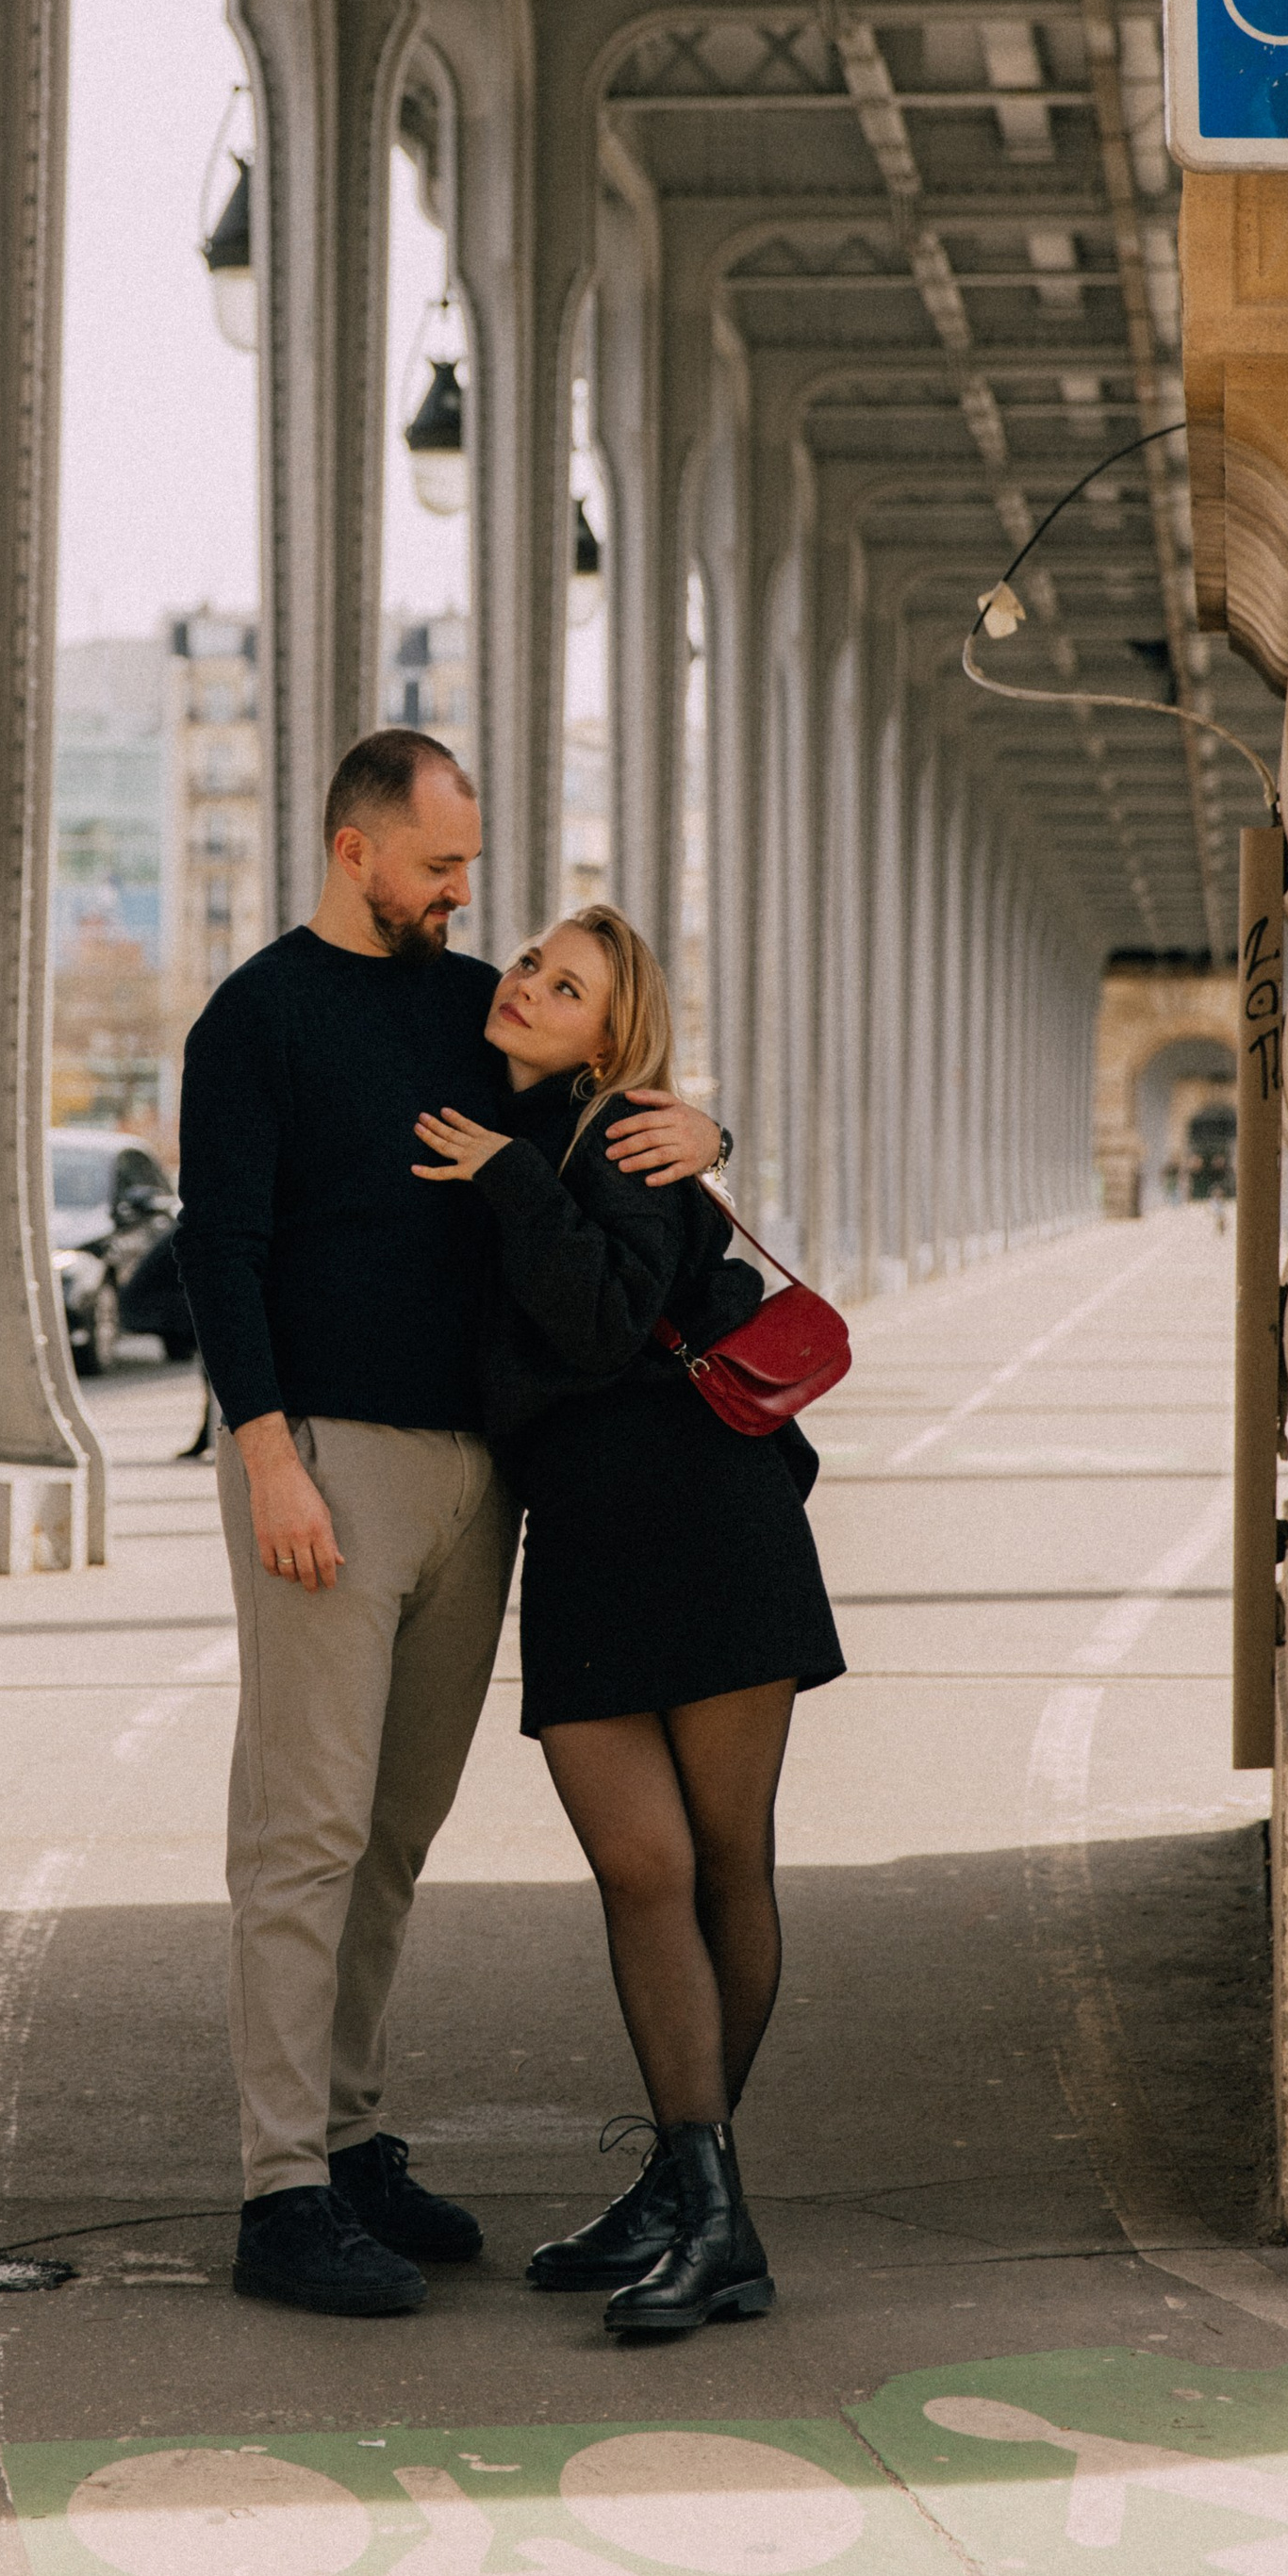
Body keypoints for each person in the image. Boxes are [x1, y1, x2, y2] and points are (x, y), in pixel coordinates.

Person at [173, 735, 725, 2319]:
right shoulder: (257, 1018)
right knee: (305, 1831)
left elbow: (606, 1101)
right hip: (329, 1464)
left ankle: (348, 2140)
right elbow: (223, 1246)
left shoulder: (480, 1007)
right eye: (437, 867)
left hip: (480, 1476)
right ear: (356, 851)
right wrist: (268, 1457)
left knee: (394, 1833)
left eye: (468, 868)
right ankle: (280, 2185)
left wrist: (711, 1137)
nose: (461, 894)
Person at [413, 900, 843, 2340]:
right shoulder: (503, 1114)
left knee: (726, 1862)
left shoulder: (626, 1137)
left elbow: (601, 1323)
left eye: (568, 981)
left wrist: (518, 1181)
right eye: (531, 961)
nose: (530, 983)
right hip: (589, 1543)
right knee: (640, 1868)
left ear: (616, 1031)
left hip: (710, 1523)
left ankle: (705, 2211)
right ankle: (691, 2195)